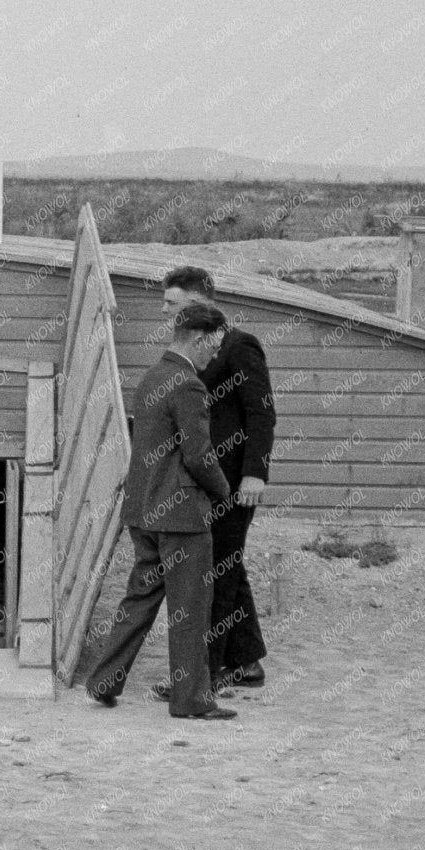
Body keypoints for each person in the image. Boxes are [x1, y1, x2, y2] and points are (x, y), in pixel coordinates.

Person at [85, 300, 237, 721]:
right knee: (190, 610)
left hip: (144, 511)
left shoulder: (154, 376)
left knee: (139, 601)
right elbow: (199, 454)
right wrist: (225, 491)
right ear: (201, 338)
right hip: (182, 517)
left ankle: (103, 681)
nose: (215, 354)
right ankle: (191, 699)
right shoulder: (188, 384)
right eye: (215, 345)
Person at [160, 264, 278, 693]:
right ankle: (246, 662)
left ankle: (203, 676)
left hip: (233, 480)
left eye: (174, 303)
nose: (167, 312)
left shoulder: (239, 346)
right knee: (228, 565)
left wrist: (254, 475)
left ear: (199, 300)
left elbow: (261, 413)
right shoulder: (194, 346)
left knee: (216, 572)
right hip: (207, 477)